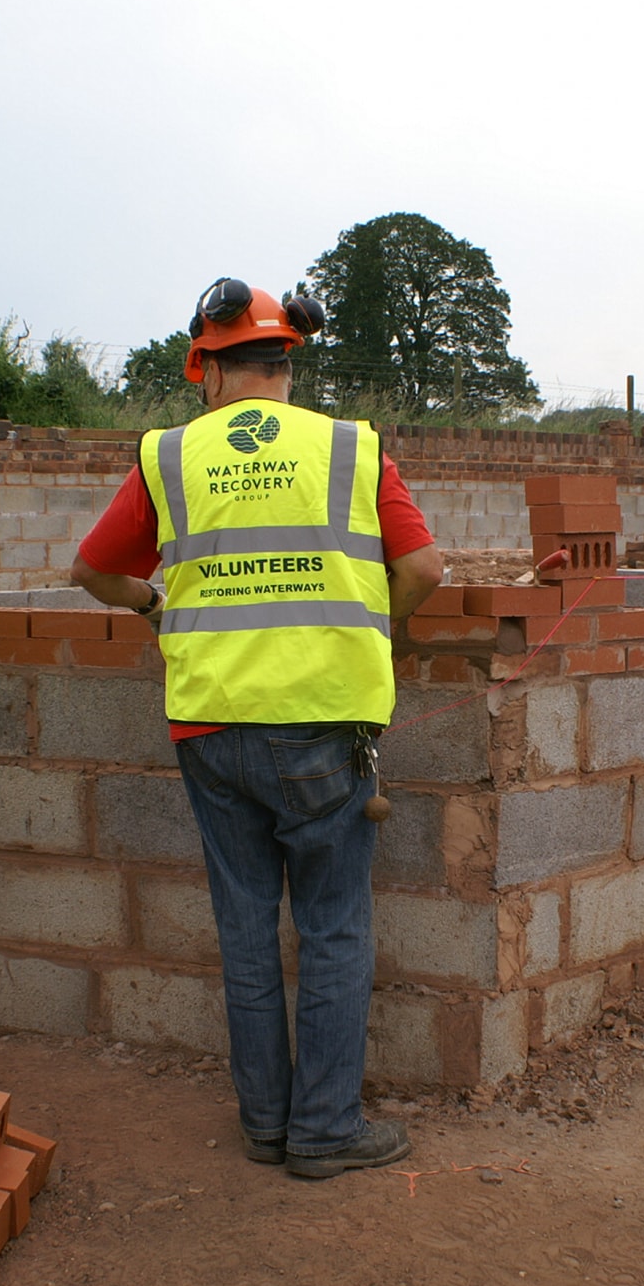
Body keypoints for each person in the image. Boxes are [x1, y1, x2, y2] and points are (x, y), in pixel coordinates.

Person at [70, 277, 444, 1179]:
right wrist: (365, 629)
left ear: (207, 371)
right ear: (287, 366)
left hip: (209, 728)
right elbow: (425, 569)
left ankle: (266, 1125)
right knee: (333, 929)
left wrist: (157, 607)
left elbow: (91, 570)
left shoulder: (169, 456)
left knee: (244, 930)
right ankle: (325, 1131)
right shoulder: (350, 446)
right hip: (323, 726)